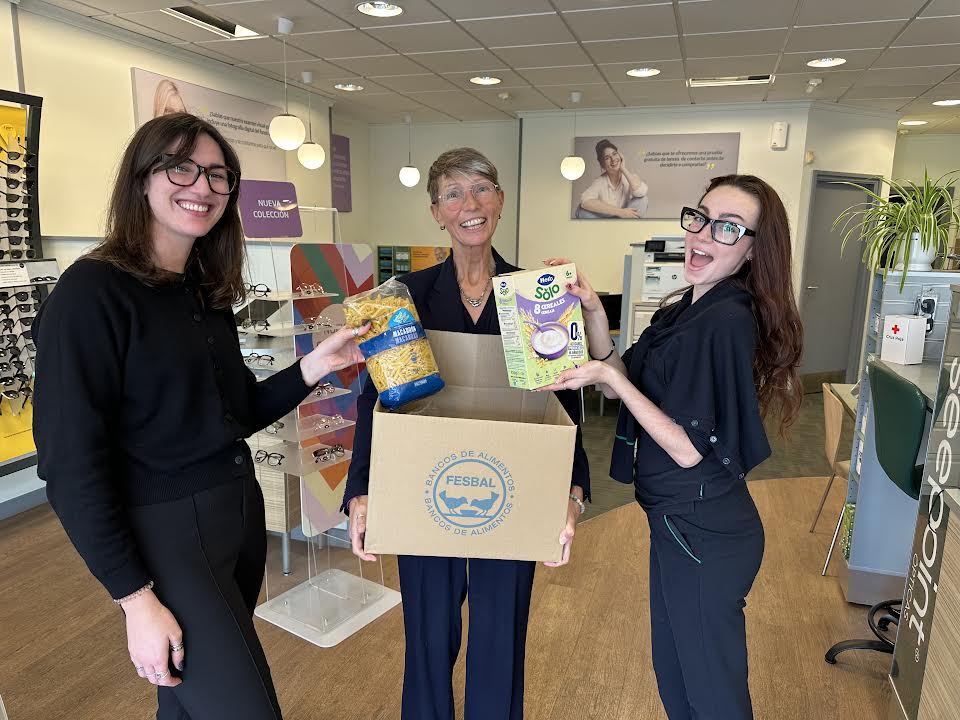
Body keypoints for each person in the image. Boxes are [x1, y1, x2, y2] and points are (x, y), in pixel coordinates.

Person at [32, 112, 367, 720]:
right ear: (142, 178)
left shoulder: (201, 291)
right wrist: (134, 599)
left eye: (218, 175)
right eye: (181, 168)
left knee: (187, 709)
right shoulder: (90, 294)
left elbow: (234, 414)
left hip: (236, 523)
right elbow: (70, 464)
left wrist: (314, 366)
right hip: (170, 543)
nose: (202, 187)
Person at [342, 147, 591, 720]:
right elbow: (374, 399)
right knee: (427, 638)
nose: (469, 204)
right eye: (453, 193)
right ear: (436, 212)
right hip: (423, 488)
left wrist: (572, 493)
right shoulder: (403, 296)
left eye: (481, 189)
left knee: (502, 636)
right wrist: (362, 490)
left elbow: (566, 399)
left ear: (500, 200)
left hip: (514, 488)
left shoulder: (535, 297)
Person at [543, 174, 803, 719]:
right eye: (701, 217)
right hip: (678, 523)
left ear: (755, 249)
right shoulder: (687, 307)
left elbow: (686, 448)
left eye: (729, 227)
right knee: (677, 679)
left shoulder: (726, 320)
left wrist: (609, 381)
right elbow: (622, 376)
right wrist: (593, 313)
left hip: (704, 528)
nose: (703, 234)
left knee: (711, 696)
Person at [576, 139, 649, 219]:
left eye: (614, 154)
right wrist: (620, 212)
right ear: (602, 164)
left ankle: (620, 225)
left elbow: (641, 192)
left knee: (643, 200)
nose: (613, 159)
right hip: (607, 218)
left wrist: (623, 169)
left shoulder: (629, 177)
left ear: (620, 156)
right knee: (581, 211)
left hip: (625, 218)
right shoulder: (600, 181)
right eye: (607, 158)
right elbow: (585, 201)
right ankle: (614, 226)